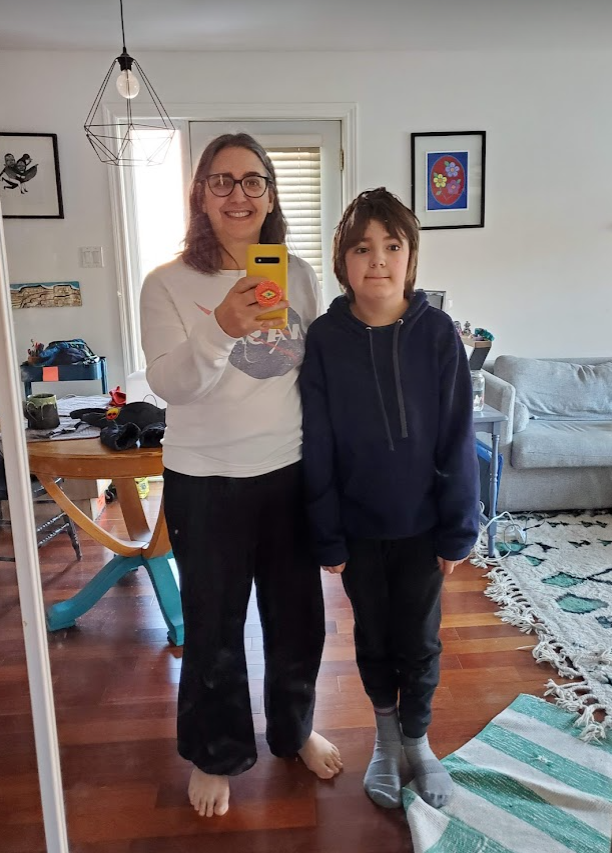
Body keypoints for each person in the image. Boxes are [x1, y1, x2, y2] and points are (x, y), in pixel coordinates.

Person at [140, 133, 342, 819]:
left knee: (298, 621)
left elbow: (316, 373)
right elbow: (173, 385)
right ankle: (215, 751)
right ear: (199, 193)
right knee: (214, 625)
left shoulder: (299, 273)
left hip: (287, 473)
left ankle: (292, 730)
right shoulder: (166, 283)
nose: (238, 193)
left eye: (253, 180)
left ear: (271, 194)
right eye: (221, 180)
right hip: (205, 480)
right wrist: (221, 326)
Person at [299, 187, 479, 810]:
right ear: (342, 261)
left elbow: (457, 436)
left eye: (391, 246)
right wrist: (326, 531)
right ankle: (384, 741)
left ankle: (419, 742)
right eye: (362, 248)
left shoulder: (438, 336)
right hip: (357, 529)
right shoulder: (324, 339)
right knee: (373, 638)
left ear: (411, 257)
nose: (377, 260)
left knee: (421, 640)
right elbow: (316, 441)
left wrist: (459, 530)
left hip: (424, 528)